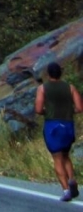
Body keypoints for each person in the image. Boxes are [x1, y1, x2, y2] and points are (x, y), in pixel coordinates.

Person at [34, 61, 83, 201]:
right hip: (67, 125)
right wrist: (69, 111)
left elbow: (38, 109)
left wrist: (47, 112)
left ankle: (66, 190)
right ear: (60, 73)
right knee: (66, 155)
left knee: (57, 158)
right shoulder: (70, 87)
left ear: (48, 74)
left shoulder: (42, 88)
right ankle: (72, 179)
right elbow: (80, 108)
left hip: (52, 126)